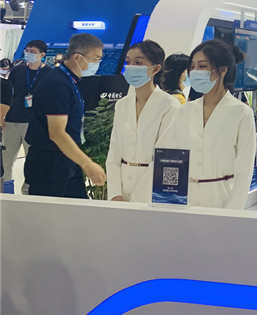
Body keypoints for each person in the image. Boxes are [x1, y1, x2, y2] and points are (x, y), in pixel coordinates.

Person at [157, 40, 256, 209]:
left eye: (202, 66)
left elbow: (244, 171)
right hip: (185, 201)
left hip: (221, 200)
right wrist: (168, 202)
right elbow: (172, 159)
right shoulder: (184, 110)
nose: (195, 72)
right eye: (192, 67)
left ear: (222, 70)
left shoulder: (241, 113)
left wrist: (232, 212)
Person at [24, 33, 107, 198]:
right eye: (95, 59)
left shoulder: (69, 80)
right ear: (77, 57)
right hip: (50, 161)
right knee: (51, 212)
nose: (97, 63)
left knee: (76, 209)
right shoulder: (57, 83)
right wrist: (87, 164)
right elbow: (57, 133)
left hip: (66, 157)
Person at [106, 41, 179, 203]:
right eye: (128, 62)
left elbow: (164, 158)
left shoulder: (169, 105)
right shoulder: (122, 104)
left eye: (138, 62)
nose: (131, 67)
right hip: (121, 189)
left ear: (156, 68)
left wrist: (137, 200)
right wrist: (115, 194)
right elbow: (114, 154)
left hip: (150, 192)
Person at [1, 40, 51, 194]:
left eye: (33, 51)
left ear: (42, 55)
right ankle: (6, 192)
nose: (28, 53)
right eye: (27, 50)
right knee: (6, 160)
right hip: (12, 120)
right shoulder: (17, 70)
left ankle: (28, 193)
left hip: (35, 123)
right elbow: (7, 93)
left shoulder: (49, 73)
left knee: (32, 162)